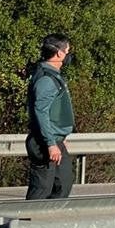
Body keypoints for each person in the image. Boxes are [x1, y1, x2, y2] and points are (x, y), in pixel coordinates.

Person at [25, 33, 76, 200]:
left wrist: (60, 136)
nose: (68, 55)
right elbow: (41, 112)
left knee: (63, 182)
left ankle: (50, 222)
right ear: (59, 53)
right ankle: (27, 222)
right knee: (42, 188)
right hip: (44, 142)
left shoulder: (53, 76)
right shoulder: (47, 80)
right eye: (67, 51)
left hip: (55, 140)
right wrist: (51, 143)